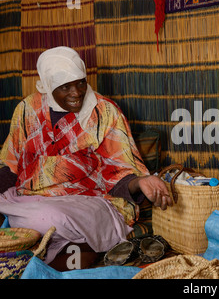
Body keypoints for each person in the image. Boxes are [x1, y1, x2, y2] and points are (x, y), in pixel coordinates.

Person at [0, 46, 172, 270]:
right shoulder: (27, 109)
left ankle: (61, 256)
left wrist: (141, 182)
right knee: (38, 216)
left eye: (81, 82)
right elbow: (11, 163)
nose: (77, 92)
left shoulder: (105, 112)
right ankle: (68, 252)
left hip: (92, 201)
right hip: (31, 198)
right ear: (48, 86)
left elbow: (122, 169)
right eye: (65, 87)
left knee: (50, 219)